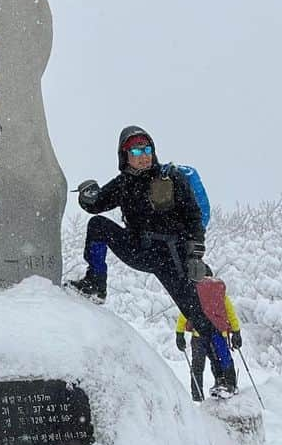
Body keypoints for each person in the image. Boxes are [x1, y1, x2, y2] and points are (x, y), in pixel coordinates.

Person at [67, 125, 237, 397]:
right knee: (97, 225)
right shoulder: (123, 183)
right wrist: (88, 192)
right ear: (125, 154)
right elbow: (97, 205)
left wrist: (195, 255)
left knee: (198, 315)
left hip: (172, 256)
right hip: (140, 249)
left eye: (147, 149)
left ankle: (226, 378)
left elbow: (193, 218)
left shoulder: (171, 177)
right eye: (136, 150)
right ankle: (95, 283)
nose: (144, 155)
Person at [176, 272, 242, 401]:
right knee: (221, 359)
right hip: (217, 333)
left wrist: (179, 333)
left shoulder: (193, 293)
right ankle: (228, 385)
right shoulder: (218, 293)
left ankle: (197, 397)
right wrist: (236, 331)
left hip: (198, 334)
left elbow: (185, 313)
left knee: (197, 366)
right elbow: (230, 312)